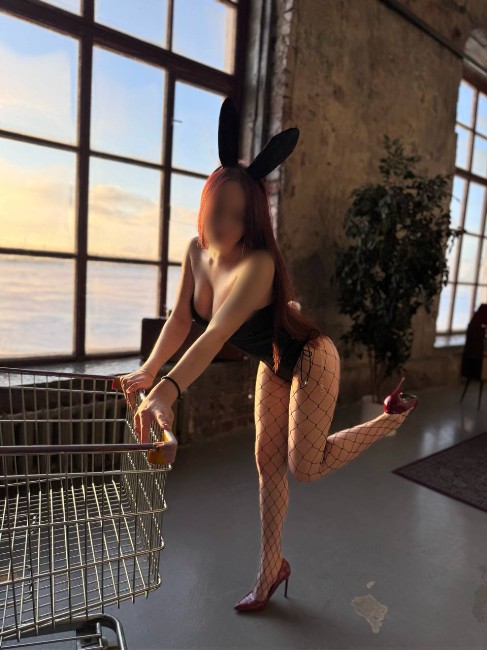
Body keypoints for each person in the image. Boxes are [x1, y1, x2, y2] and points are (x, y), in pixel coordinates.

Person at [116, 97, 418, 613]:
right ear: (205, 200)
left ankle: (389, 420)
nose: (223, 222)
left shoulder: (258, 265)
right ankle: (271, 568)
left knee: (306, 466)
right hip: (273, 361)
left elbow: (214, 335)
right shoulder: (194, 251)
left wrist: (166, 392)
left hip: (311, 358)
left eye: (238, 215)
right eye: (217, 207)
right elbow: (181, 320)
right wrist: (149, 369)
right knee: (266, 463)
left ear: (253, 218)